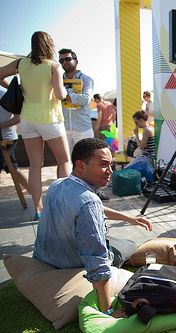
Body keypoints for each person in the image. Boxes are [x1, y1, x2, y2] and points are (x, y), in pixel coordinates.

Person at [33, 138, 153, 316]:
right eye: (104, 165)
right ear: (81, 166)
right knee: (128, 244)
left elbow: (86, 206)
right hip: (72, 264)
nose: (110, 171)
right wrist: (108, 310)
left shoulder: (57, 184)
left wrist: (129, 218)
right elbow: (96, 259)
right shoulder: (89, 202)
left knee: (114, 241)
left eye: (111, 165)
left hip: (46, 257)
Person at [0, 31, 71, 220]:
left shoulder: (20, 63)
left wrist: (14, 88)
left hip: (27, 119)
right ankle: (60, 206)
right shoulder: (54, 67)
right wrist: (64, 88)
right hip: (50, 119)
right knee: (64, 161)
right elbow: (60, 95)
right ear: (49, 45)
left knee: (34, 166)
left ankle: (38, 209)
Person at [59, 48, 95, 151]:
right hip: (63, 128)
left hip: (83, 129)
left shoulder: (87, 79)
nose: (64, 62)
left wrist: (63, 96)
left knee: (86, 162)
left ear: (76, 61)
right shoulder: (57, 80)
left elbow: (86, 99)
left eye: (68, 59)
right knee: (65, 162)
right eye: (61, 60)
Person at [0, 91, 29, 191]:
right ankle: (33, 193)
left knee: (13, 169)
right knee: (14, 169)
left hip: (7, 138)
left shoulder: (5, 95)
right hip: (6, 137)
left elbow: (18, 118)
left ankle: (34, 194)